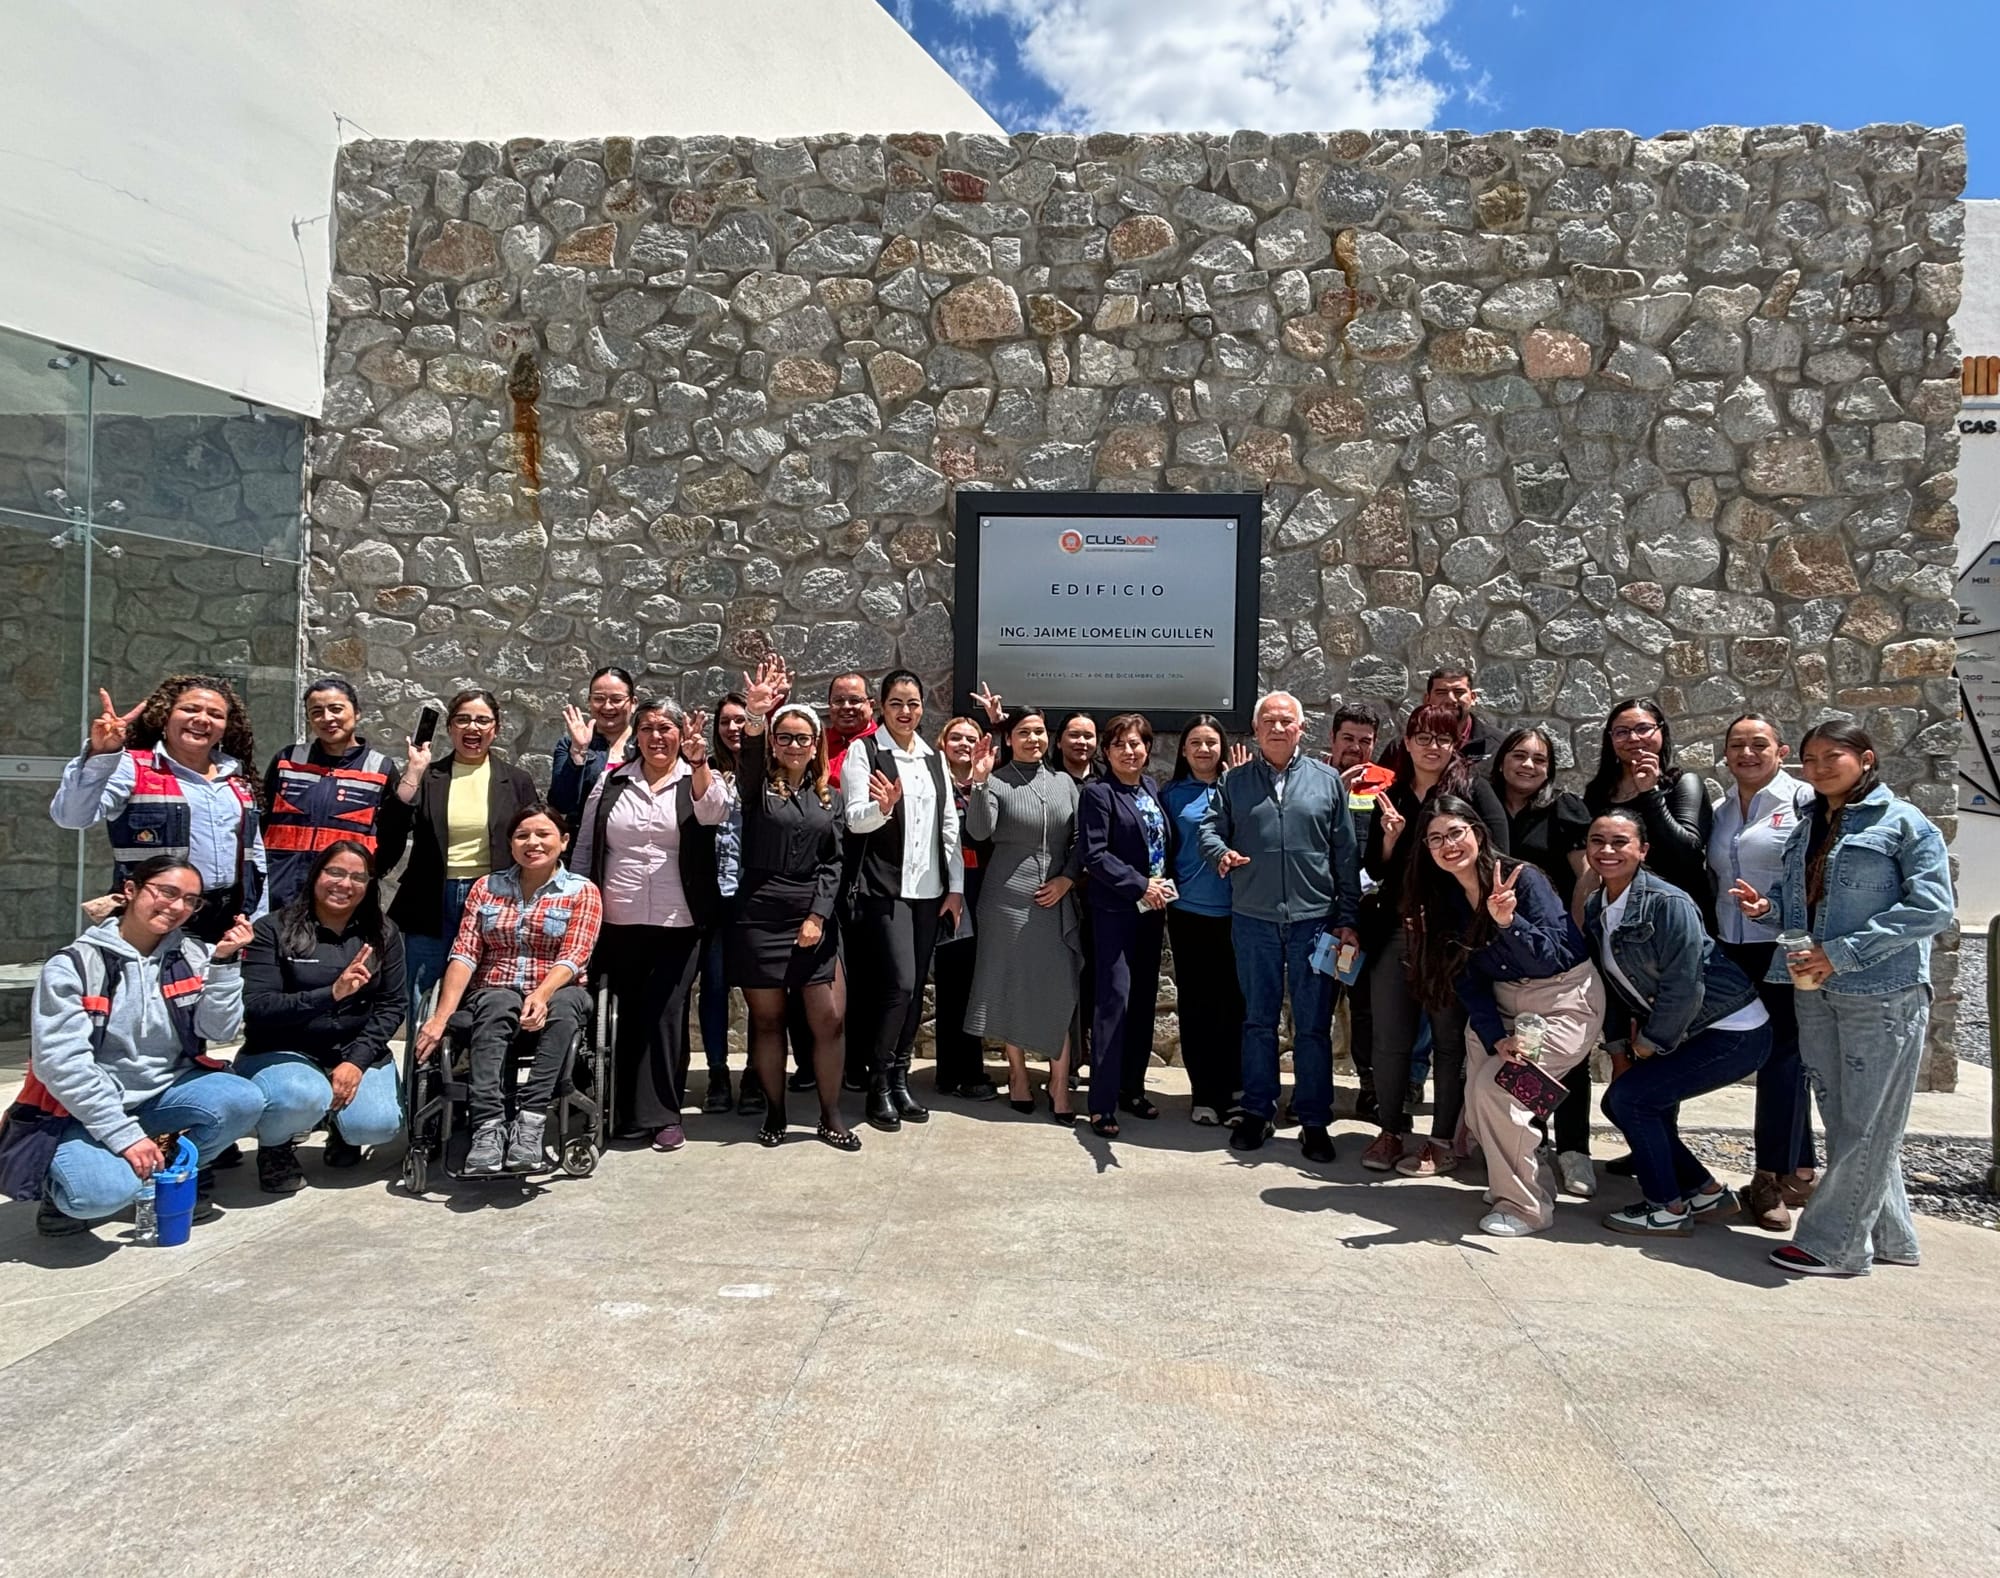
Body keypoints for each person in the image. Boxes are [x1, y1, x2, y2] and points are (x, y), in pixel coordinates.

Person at [1729, 721, 1954, 1277]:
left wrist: (1843, 953)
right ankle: (1893, 1236)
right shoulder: (1809, 825)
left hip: (1879, 992)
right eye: (1811, 758)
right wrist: (1770, 911)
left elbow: (1932, 907)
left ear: (1867, 759)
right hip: (1814, 988)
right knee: (1849, 1118)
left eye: (1835, 756)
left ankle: (1835, 1245)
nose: (1821, 767)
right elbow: (1803, 903)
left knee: (1867, 1121)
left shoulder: (1903, 823)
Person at [17, 855, 262, 1237]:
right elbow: (59, 1064)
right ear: (130, 890)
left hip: (162, 1096)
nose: (177, 907)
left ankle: (166, 1169)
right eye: (167, 892)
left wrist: (226, 965)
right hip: (83, 1110)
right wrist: (123, 1134)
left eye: (191, 900)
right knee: (97, 1195)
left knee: (243, 1099)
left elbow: (220, 1028)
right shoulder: (74, 965)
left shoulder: (192, 955)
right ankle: (60, 1186)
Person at [1404, 798, 1604, 1236]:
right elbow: (1467, 979)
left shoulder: (1522, 879)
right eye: (1436, 839)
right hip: (1504, 1005)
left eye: (1456, 832)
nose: (1448, 845)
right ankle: (1525, 1180)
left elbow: (1551, 956)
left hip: (1563, 998)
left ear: (1477, 832)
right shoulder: (1445, 900)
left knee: (1503, 1094)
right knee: (1477, 1097)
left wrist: (1508, 922)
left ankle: (1525, 1207)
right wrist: (1495, 1036)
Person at [1585, 809, 1771, 1236]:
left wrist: (1651, 1043)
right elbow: (1612, 986)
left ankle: (1666, 1208)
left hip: (1732, 1029)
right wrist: (1618, 1048)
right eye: (1598, 841)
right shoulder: (1599, 905)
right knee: (1622, 1099)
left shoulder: (1669, 902)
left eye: (1620, 842)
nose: (1608, 850)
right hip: (1689, 1029)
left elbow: (1686, 985)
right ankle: (1703, 1190)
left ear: (1642, 849)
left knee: (1632, 1100)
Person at [1198, 691, 1362, 1162]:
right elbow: (1210, 828)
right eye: (1267, 720)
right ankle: (1256, 1112)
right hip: (1254, 919)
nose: (1276, 728)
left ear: (1301, 729)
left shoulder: (1327, 781)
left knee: (1313, 1027)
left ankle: (1313, 1120)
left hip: (1315, 922)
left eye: (1285, 721)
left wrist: (1348, 918)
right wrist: (1218, 853)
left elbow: (1344, 855)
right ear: (1255, 730)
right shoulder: (1235, 782)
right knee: (1258, 1023)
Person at [1360, 702, 1510, 1175]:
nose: (1432, 747)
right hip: (1398, 933)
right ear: (1406, 743)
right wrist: (1390, 839)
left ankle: (1442, 1139)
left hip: (1450, 940)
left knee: (1448, 1041)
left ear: (1456, 745)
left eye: (1443, 738)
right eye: (1423, 737)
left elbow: (1498, 859)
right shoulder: (1392, 793)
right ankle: (1389, 1130)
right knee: (1390, 1038)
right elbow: (1374, 868)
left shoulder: (1474, 792)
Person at [573, 698, 729, 1152]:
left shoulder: (698, 777)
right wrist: (582, 908)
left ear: (682, 734)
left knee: (665, 1015)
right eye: (648, 728)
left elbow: (714, 812)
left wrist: (699, 764)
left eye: (667, 728)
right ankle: (621, 1111)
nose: (657, 736)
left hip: (678, 919)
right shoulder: (612, 781)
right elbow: (586, 847)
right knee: (620, 1016)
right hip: (616, 918)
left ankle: (662, 1114)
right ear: (635, 735)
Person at [414, 804, 602, 1176]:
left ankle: (531, 1121)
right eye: (522, 836)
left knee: (565, 1008)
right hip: (495, 989)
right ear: (511, 845)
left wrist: (541, 995)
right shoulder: (487, 888)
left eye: (543, 834)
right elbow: (465, 954)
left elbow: (576, 954)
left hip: (558, 987)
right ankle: (488, 1127)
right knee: (497, 1002)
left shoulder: (582, 892)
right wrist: (439, 1017)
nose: (532, 842)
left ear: (563, 841)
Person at [731, 657, 856, 1150]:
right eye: (785, 737)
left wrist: (817, 916)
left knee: (828, 1019)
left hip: (812, 916)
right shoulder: (756, 788)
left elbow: (834, 863)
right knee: (768, 1022)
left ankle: (829, 1117)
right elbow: (748, 757)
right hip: (760, 914)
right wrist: (758, 716)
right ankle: (776, 1114)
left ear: (816, 744)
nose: (793, 745)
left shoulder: (832, 798)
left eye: (803, 737)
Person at [238, 840, 407, 1191]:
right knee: (301, 1094)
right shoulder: (273, 929)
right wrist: (331, 995)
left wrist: (356, 1062)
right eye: (335, 872)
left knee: (377, 1125)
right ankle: (275, 1147)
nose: (345, 884)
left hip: (351, 1050)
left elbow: (392, 1005)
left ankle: (341, 1128)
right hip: (283, 1050)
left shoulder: (384, 933)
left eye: (358, 877)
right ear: (316, 875)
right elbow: (258, 1006)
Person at [52, 675, 269, 943]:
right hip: (157, 916)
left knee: (219, 985)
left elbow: (254, 854)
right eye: (190, 709)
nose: (202, 719)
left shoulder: (236, 777)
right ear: (164, 717)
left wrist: (257, 915)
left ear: (226, 727)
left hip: (229, 917)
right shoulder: (132, 767)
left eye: (215, 714)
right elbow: (72, 817)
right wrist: (101, 755)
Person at [840, 667, 964, 1132]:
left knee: (914, 995)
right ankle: (877, 1081)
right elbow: (855, 820)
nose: (906, 712)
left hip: (929, 893)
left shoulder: (933, 759)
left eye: (913, 704)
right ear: (881, 706)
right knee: (902, 985)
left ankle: (899, 1079)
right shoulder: (865, 751)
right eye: (896, 703)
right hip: (883, 889)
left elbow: (948, 826)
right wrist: (884, 808)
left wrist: (955, 890)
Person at [1708, 712, 1819, 1231]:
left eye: (1758, 744)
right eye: (1736, 745)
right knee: (1776, 1057)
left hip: (1782, 947)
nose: (1746, 754)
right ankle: (1802, 1165)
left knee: (1782, 1058)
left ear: (1782, 750)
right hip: (1732, 946)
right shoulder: (1721, 809)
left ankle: (1769, 1178)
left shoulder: (1803, 803)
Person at [390, 689, 540, 1037]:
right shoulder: (430, 775)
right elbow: (394, 825)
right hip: (431, 899)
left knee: (488, 994)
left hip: (493, 899)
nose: (473, 727)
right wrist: (413, 771)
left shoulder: (516, 781)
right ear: (450, 727)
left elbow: (534, 841)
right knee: (423, 997)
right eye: (463, 719)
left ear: (496, 729)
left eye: (483, 720)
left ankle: (480, 1082)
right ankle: (419, 1086)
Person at [1487, 725, 1596, 1199]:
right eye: (1519, 755)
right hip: (1502, 945)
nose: (1528, 765)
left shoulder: (1563, 809)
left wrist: (1566, 932)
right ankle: (1530, 1143)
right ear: (1502, 760)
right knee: (1520, 1049)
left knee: (1566, 1058)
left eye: (1539, 759)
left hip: (1553, 948)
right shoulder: (1485, 805)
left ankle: (1574, 1151)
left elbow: (1585, 876)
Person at [964, 705, 1084, 1118]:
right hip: (1006, 901)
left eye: (1039, 732)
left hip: (1055, 899)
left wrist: (1067, 879)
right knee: (1010, 986)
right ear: (1009, 738)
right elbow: (979, 832)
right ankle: (1016, 1074)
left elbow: (1081, 841)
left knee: (1060, 988)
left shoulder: (1066, 782)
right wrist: (979, 783)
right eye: (1024, 733)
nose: (1033, 739)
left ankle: (1059, 1083)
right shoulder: (997, 781)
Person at [1078, 714, 1174, 1139]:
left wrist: (1158, 887)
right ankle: (1101, 1103)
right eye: (1119, 745)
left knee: (1142, 1002)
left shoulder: (1151, 789)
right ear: (1106, 751)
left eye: (1136, 744)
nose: (1129, 751)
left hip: (1151, 914)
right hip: (1115, 912)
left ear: (1147, 748)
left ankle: (1131, 1089)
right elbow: (1094, 855)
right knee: (1113, 1003)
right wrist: (1140, 885)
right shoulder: (1098, 794)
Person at [260, 677, 414, 909]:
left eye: (336, 709)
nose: (327, 718)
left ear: (357, 712)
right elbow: (263, 819)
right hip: (281, 895)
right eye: (317, 712)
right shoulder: (288, 760)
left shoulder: (379, 768)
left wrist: (370, 874)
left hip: (343, 900)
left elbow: (393, 836)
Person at [1161, 715, 1247, 1125]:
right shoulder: (1172, 795)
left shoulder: (1239, 789)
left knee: (1235, 1004)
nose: (1203, 750)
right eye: (1195, 742)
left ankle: (1234, 1090)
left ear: (1222, 748)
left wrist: (1243, 780)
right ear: (1183, 750)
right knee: (1197, 1005)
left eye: (1211, 742)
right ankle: (1205, 1094)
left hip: (1237, 913)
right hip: (1189, 913)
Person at [1581, 699, 1715, 924]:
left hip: (1676, 914)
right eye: (1622, 732)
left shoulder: (1683, 784)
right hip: (1618, 912)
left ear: (1661, 731)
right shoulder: (1598, 792)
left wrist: (1650, 794)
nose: (1633, 739)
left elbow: (1689, 853)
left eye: (1643, 729)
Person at [1326, 702, 1390, 1122]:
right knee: (1315, 1007)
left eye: (1365, 741)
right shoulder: (1314, 782)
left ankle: (1371, 1089)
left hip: (1370, 915)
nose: (1356, 747)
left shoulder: (1384, 786)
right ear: (1333, 740)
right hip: (1322, 913)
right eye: (1348, 738)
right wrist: (1339, 791)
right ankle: (1312, 1091)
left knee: (1368, 1009)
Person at [931, 714, 995, 1101]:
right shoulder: (934, 784)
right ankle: (956, 1072)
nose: (964, 744)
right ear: (943, 743)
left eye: (971, 738)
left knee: (976, 985)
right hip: (947, 895)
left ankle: (966, 1068)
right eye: (955, 737)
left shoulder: (989, 785)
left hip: (984, 894)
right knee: (954, 985)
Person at [698, 694, 752, 1115]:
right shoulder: (702, 771)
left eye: (741, 721)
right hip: (715, 894)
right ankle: (718, 1071)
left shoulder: (765, 771)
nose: (734, 729)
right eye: (726, 722)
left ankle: (756, 1072)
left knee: (762, 991)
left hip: (756, 895)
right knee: (715, 987)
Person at [548, 666, 638, 822]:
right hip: (585, 841)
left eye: (616, 700)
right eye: (599, 699)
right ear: (589, 701)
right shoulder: (569, 745)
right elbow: (561, 804)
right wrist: (578, 752)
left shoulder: (645, 745)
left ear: (633, 703)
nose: (607, 706)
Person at [1417, 664, 1496, 761]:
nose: (1451, 699)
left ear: (1473, 698)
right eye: (1441, 692)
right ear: (1427, 699)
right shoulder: (1402, 748)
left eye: (1459, 692)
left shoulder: (1499, 745)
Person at [824, 671, 878, 781]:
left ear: (871, 705)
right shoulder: (817, 742)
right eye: (838, 701)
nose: (846, 707)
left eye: (855, 700)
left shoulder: (884, 744)